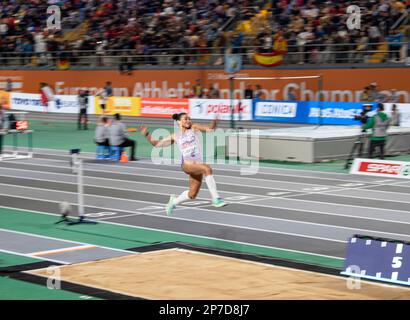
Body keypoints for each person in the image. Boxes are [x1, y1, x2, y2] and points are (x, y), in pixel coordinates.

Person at [139, 112, 227, 215]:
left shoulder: (194, 128)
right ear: (179, 122)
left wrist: (215, 122)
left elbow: (210, 128)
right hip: (187, 164)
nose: (188, 120)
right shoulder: (175, 136)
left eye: (189, 118)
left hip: (197, 165)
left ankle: (174, 201)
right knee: (207, 169)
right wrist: (146, 135)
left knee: (192, 194)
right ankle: (216, 199)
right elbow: (157, 144)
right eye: (185, 119)